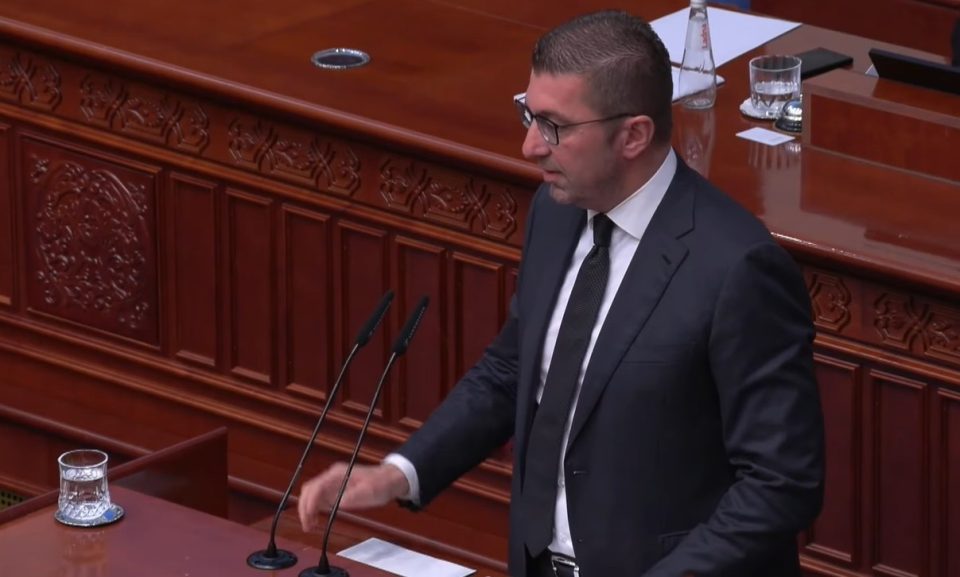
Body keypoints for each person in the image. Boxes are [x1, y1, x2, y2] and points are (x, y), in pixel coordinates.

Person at [298, 10, 824, 577]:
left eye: (553, 126)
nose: (529, 146)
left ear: (633, 135)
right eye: (529, 114)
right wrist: (401, 473)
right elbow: (513, 370)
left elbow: (779, 484)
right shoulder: (556, 212)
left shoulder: (737, 268)